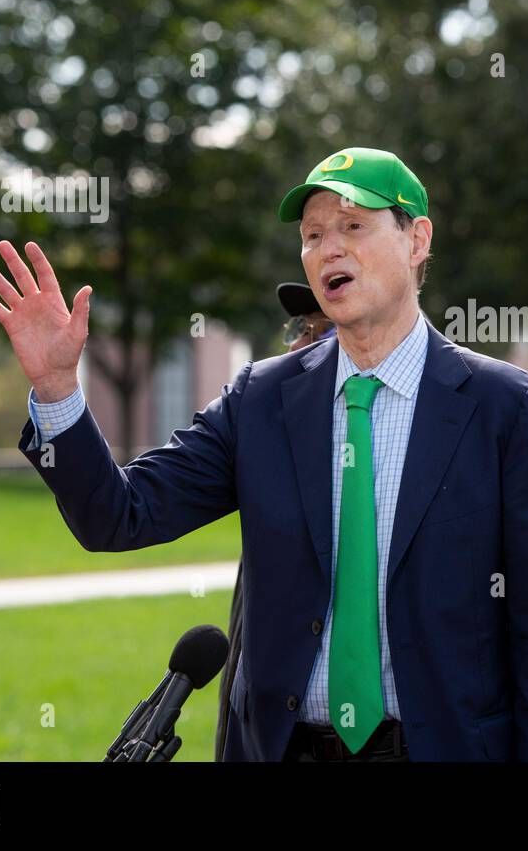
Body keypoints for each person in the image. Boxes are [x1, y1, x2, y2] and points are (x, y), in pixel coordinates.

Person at [0, 146, 528, 761]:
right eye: (313, 233)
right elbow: (119, 515)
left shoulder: (509, 409)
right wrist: (56, 388)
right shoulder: (261, 399)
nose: (329, 249)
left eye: (354, 226)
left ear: (417, 239)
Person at [214, 282, 332, 762]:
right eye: (297, 329)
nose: (297, 344)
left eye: (314, 330)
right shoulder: (265, 420)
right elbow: (127, 509)